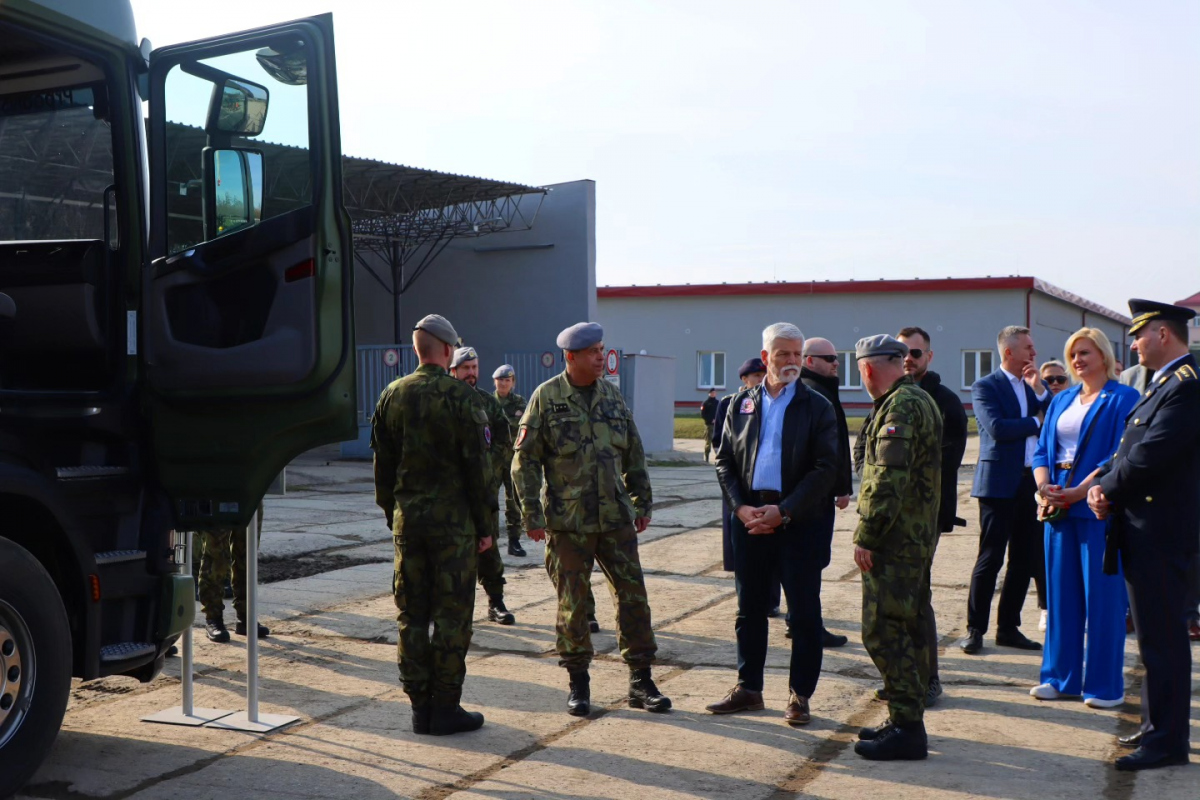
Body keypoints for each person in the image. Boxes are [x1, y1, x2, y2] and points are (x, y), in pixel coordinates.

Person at [512, 322, 671, 717]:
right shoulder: (546, 397)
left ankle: (641, 680)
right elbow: (524, 461)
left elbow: (633, 453)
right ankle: (578, 683)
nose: (601, 356)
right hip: (568, 523)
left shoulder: (612, 396)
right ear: (571, 356)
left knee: (634, 598)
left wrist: (642, 503)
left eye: (602, 349)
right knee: (574, 605)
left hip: (615, 518)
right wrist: (531, 514)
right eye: (593, 351)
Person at [371, 313, 497, 736]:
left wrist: (394, 515)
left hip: (409, 525)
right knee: (451, 617)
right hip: (454, 530)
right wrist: (485, 526)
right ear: (447, 350)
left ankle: (419, 708)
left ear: (417, 350)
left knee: (411, 616)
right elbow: (479, 470)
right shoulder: (463, 398)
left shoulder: (392, 394)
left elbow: (382, 469)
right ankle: (445, 706)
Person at [1088, 299, 1200, 771]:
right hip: (1143, 527)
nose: (1133, 344)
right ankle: (1158, 726)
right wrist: (1102, 484)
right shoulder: (1162, 383)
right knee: (1154, 637)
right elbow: (1127, 448)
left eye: (1139, 335)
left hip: (1163, 532)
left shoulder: (1186, 385)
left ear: (1163, 334)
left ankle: (1167, 743)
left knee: (1165, 639)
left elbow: (1153, 453)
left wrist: (1106, 489)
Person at [709, 323, 838, 726]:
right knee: (749, 610)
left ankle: (800, 695)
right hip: (750, 520)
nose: (792, 361)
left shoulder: (817, 405)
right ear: (766, 357)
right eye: (784, 354)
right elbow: (724, 460)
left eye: (797, 354)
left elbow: (826, 468)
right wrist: (740, 508)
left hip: (799, 522)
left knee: (803, 615)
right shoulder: (739, 404)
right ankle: (749, 688)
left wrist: (784, 511)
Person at [1028, 328, 1138, 709]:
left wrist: (1078, 491)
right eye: (1073, 354)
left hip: (1096, 506)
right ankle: (1060, 679)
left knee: (1103, 601)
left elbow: (1117, 456)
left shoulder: (1123, 398)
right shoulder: (1062, 399)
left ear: (1104, 356)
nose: (1077, 360)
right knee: (1061, 598)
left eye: (1085, 353)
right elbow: (1042, 450)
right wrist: (1044, 487)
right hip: (1057, 507)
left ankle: (1105, 687)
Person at [851, 335, 942, 761]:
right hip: (913, 535)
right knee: (909, 625)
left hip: (895, 539)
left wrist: (867, 535)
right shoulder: (916, 398)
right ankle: (907, 717)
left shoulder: (900, 406)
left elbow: (887, 478)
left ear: (867, 368)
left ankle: (908, 728)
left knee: (884, 629)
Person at [959, 325, 1049, 655]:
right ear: (1009, 352)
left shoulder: (1033, 387)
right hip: (998, 484)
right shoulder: (985, 386)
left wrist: (1039, 391)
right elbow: (997, 429)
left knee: (1023, 559)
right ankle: (975, 629)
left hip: (1030, 483)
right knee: (991, 557)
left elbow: (1054, 415)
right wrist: (1036, 422)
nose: (1034, 353)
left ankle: (1008, 628)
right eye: (1028, 348)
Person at [894, 326, 967, 708]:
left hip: (925, 514)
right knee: (893, 598)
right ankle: (902, 677)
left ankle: (929, 679)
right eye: (901, 352)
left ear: (929, 357)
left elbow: (946, 463)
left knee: (918, 594)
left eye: (915, 353)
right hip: (889, 513)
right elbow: (865, 448)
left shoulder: (946, 401)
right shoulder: (888, 396)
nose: (908, 359)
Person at [451, 347, 516, 625]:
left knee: (489, 548)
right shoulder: (444, 401)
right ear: (453, 370)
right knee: (451, 552)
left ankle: (496, 602)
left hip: (483, 490)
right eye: (466, 368)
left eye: (475, 368)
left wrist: (488, 466)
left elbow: (504, 438)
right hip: (452, 493)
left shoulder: (487, 403)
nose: (471, 373)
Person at [797, 337, 853, 649]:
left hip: (818, 493)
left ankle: (800, 620)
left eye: (837, 358)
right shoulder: (814, 393)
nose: (836, 363)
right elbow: (827, 452)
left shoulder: (822, 390)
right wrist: (839, 487)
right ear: (810, 361)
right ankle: (808, 625)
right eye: (829, 358)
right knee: (811, 562)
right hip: (814, 497)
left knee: (811, 562)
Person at [713, 358, 766, 572]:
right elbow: (718, 441)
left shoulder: (770, 401)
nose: (761, 379)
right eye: (757, 376)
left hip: (762, 477)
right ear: (745, 379)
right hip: (737, 476)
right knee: (736, 526)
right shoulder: (730, 403)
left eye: (764, 375)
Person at [197, 503, 268, 642]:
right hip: (218, 494)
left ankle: (246, 617)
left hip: (250, 495)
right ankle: (213, 618)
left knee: (247, 555)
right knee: (216, 556)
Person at [492, 364, 529, 557]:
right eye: (500, 380)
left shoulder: (519, 402)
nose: (504, 383)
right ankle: (490, 540)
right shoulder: (488, 401)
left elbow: (520, 425)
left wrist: (502, 422)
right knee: (490, 500)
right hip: (493, 459)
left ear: (513, 382)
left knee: (513, 500)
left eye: (507, 380)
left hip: (513, 458)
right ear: (494, 382)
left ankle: (514, 541)